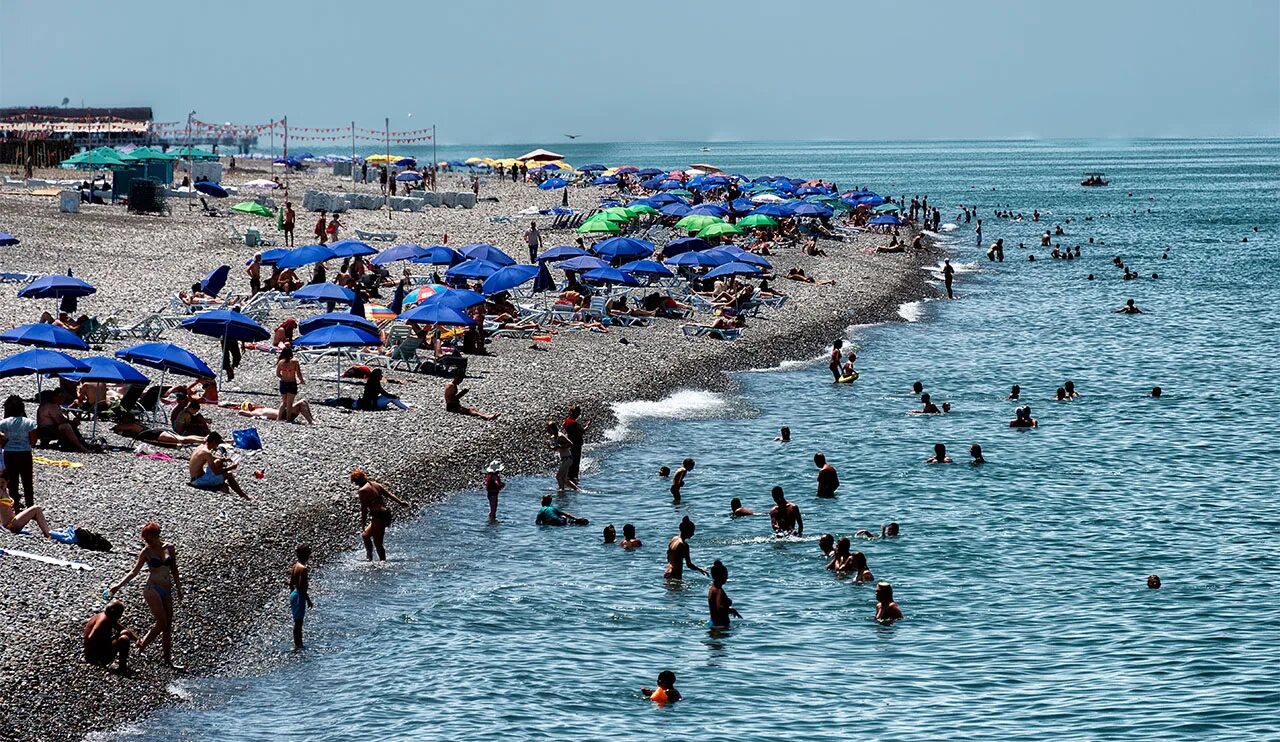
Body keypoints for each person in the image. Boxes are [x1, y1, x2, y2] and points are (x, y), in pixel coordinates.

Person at [108, 522, 183, 668]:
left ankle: (168, 661)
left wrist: (179, 588)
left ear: (157, 535)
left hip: (167, 590)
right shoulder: (146, 552)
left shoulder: (169, 548)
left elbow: (174, 569)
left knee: (168, 627)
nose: (148, 541)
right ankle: (141, 645)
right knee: (162, 623)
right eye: (146, 539)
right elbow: (134, 571)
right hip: (152, 588)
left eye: (150, 538)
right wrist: (118, 585)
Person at [353, 469, 410, 561]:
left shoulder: (362, 491)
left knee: (378, 542)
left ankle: (382, 562)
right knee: (365, 536)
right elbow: (389, 495)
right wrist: (400, 502)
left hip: (378, 516)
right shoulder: (376, 485)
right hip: (385, 513)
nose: (355, 484)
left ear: (358, 481)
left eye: (355, 482)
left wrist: (363, 522)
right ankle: (369, 558)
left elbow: (364, 509)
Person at [0, 395, 38, 508]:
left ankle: (14, 505)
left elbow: (1, 439)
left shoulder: (3, 423)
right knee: (27, 481)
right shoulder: (30, 423)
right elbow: (33, 441)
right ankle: (30, 506)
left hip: (9, 453)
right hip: (25, 453)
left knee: (12, 480)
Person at [188, 432, 249, 500]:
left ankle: (220, 484)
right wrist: (231, 467)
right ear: (214, 442)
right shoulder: (207, 452)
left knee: (218, 462)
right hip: (198, 481)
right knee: (228, 474)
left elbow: (211, 457)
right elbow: (216, 472)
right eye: (217, 444)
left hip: (195, 477)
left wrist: (223, 459)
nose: (217, 446)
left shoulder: (201, 447)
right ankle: (242, 495)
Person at [83, 600, 138, 674]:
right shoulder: (104, 620)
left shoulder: (105, 616)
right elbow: (90, 638)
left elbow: (122, 629)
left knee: (124, 633)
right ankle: (122, 668)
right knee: (124, 639)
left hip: (95, 653)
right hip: (96, 656)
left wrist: (137, 639)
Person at [288, 544, 314, 651]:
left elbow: (291, 583)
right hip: (299, 595)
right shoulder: (303, 568)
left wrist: (292, 595)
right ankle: (298, 645)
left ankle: (298, 644)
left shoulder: (295, 565)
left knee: (297, 621)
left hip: (294, 594)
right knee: (299, 623)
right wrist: (308, 599)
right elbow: (301, 586)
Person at [707, 560, 742, 629]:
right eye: (725, 575)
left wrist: (731, 610)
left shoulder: (712, 589)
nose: (727, 577)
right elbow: (719, 608)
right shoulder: (718, 591)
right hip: (720, 627)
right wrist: (730, 609)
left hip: (715, 624)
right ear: (720, 576)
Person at [275, 346, 305, 423]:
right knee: (289, 403)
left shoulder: (280, 362)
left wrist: (283, 377)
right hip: (292, 383)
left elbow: (278, 374)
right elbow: (298, 373)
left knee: (284, 402)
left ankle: (279, 418)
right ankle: (288, 419)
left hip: (283, 383)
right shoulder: (295, 361)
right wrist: (301, 380)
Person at [546, 421, 576, 494]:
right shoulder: (554, 437)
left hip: (568, 458)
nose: (548, 431)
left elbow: (571, 444)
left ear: (553, 429)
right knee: (565, 479)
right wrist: (550, 447)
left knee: (558, 477)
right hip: (564, 459)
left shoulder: (560, 436)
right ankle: (577, 490)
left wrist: (561, 446)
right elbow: (556, 449)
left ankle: (561, 491)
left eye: (549, 429)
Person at [563, 405, 588, 486]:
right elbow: (582, 431)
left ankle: (568, 476)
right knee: (576, 461)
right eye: (578, 413)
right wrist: (587, 425)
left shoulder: (567, 420)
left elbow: (564, 426)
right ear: (576, 413)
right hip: (576, 444)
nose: (579, 415)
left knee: (571, 459)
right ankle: (574, 478)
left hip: (570, 442)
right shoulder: (574, 423)